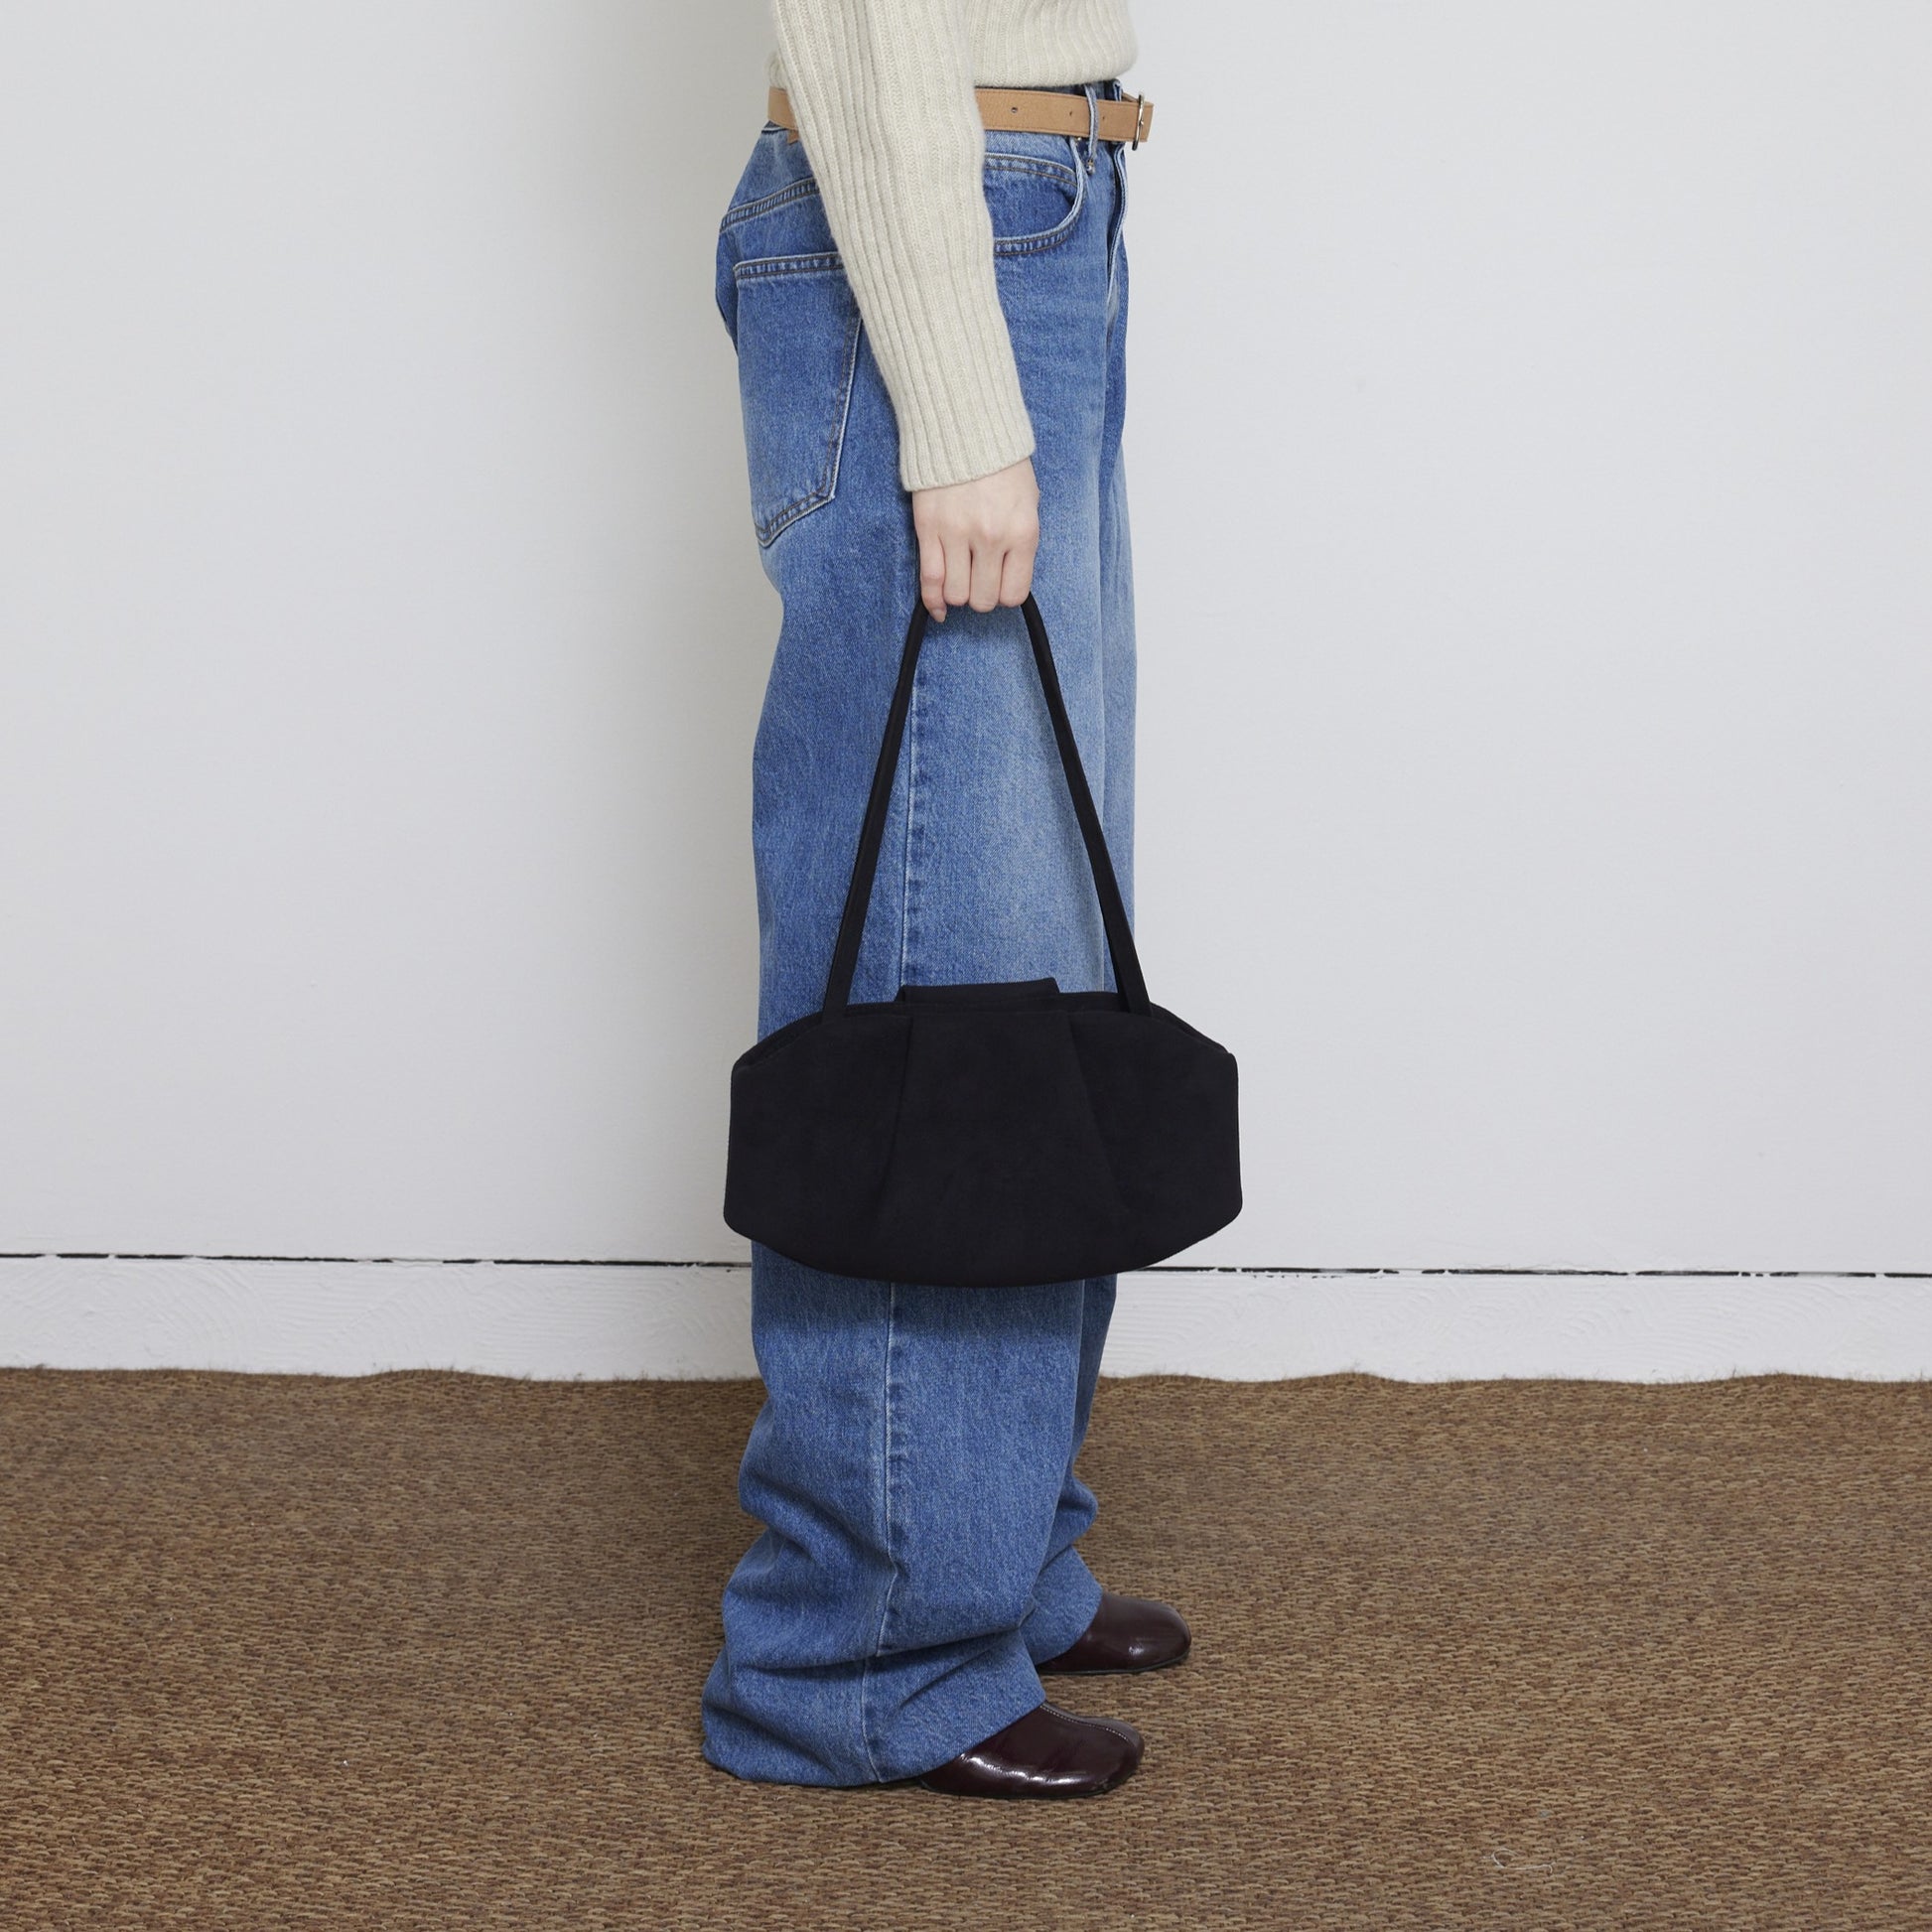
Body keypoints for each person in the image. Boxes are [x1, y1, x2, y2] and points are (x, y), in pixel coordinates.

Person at [700, 0, 1182, 1800]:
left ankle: (992, 1557)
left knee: (1027, 946)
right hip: (935, 216)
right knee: (943, 971)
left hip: (1042, 201)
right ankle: (863, 1656)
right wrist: (962, 400)